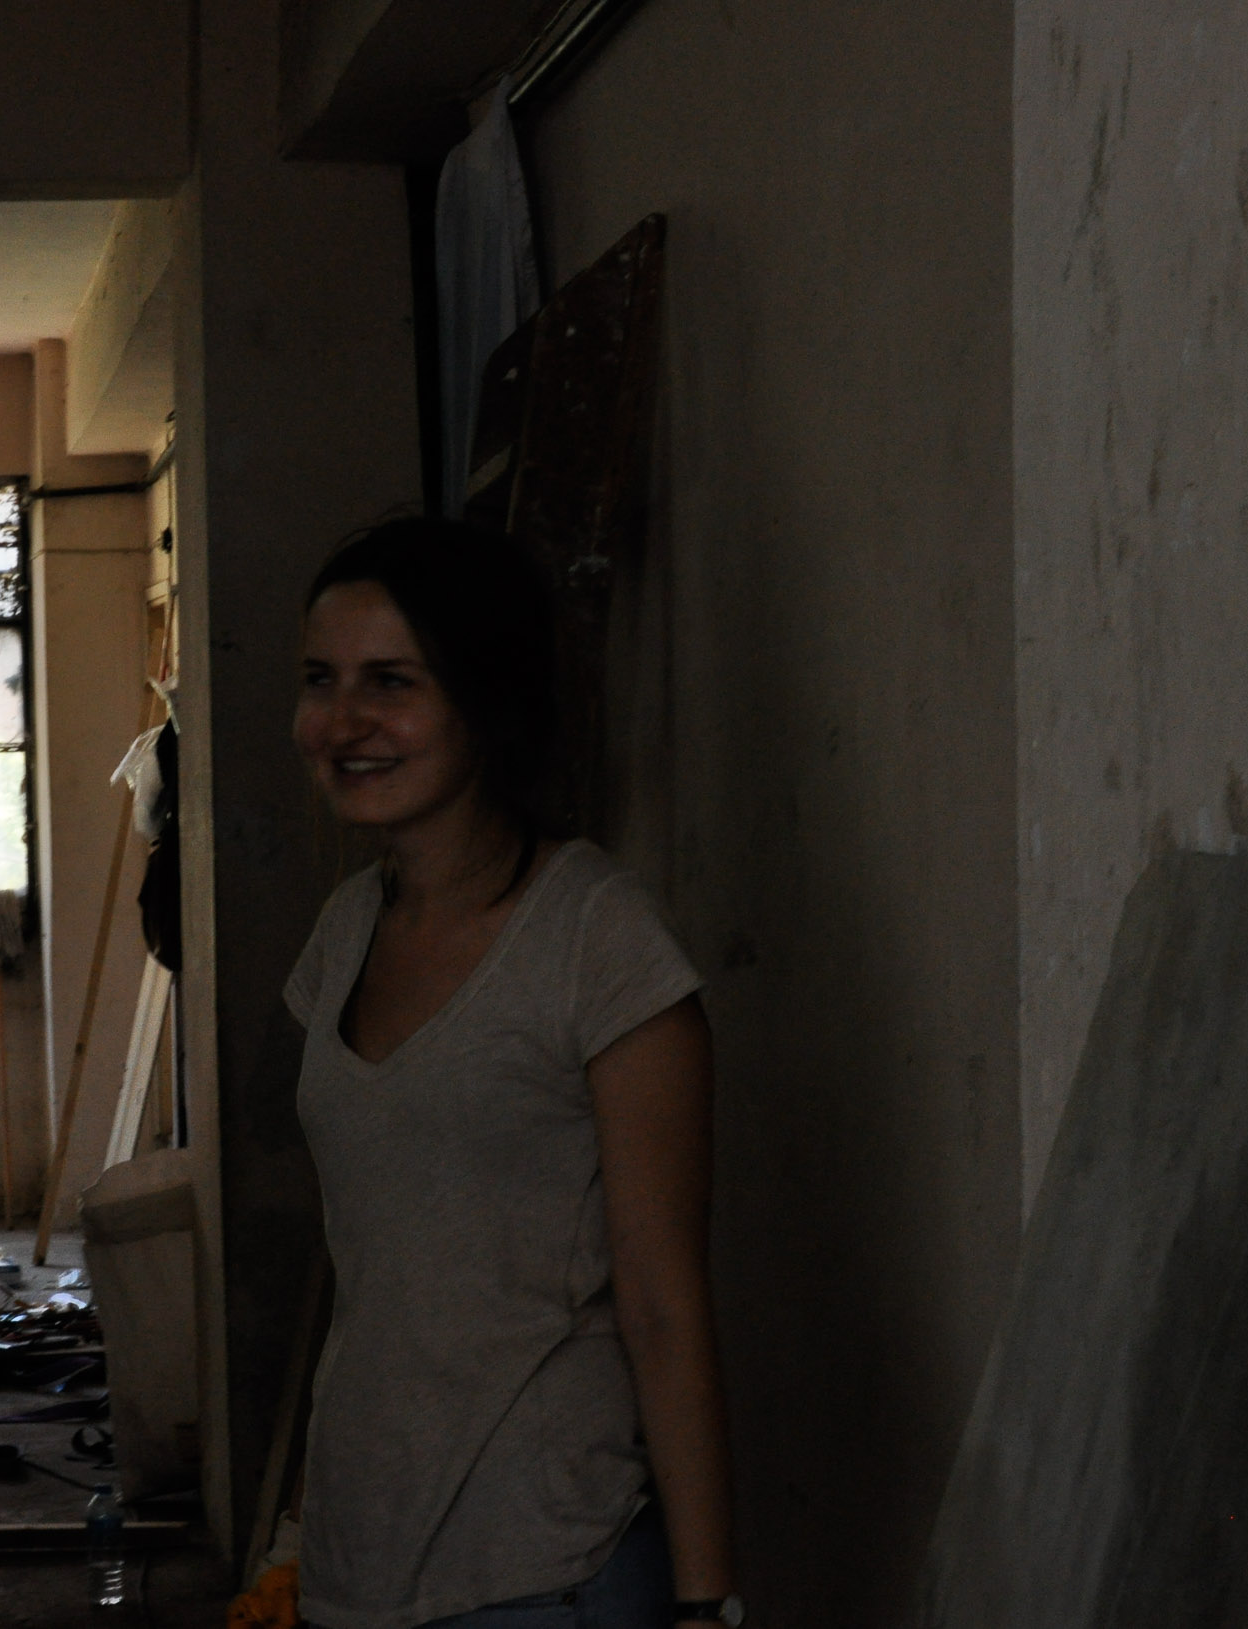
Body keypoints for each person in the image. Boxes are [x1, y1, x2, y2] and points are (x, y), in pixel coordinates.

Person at [284, 516, 741, 1629]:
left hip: (544, 1565)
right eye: (319, 680)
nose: (343, 722)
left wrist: (703, 1606)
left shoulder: (597, 942)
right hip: (356, 1557)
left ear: (484, 700)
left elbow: (661, 1305)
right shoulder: (342, 931)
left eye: (391, 682)